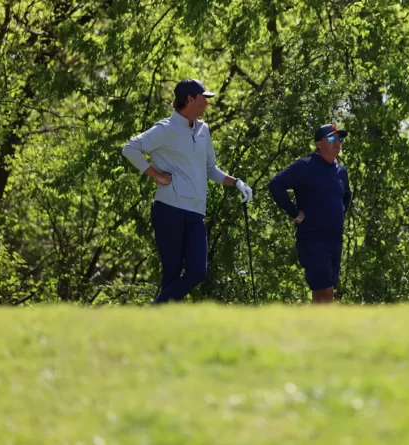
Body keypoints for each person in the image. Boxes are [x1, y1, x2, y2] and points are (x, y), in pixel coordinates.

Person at [121, 79, 253, 305]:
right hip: (168, 210)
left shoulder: (203, 130)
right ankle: (158, 320)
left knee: (197, 271)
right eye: (204, 98)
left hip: (195, 212)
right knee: (172, 274)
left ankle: (153, 312)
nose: (207, 103)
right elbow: (130, 149)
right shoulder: (165, 129)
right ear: (190, 99)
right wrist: (156, 175)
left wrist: (237, 183)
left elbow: (210, 169)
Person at [269, 124, 352, 304]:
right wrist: (294, 212)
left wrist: (340, 212)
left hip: (335, 240)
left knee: (323, 293)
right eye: (331, 138)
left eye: (339, 139)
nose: (337, 143)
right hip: (313, 239)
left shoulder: (341, 172)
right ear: (318, 144)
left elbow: (347, 194)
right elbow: (275, 185)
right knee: (326, 290)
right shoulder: (305, 166)